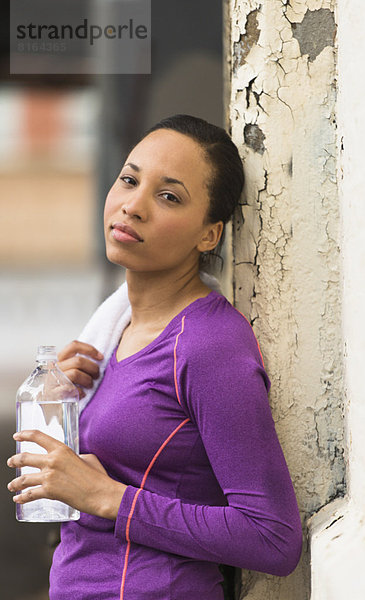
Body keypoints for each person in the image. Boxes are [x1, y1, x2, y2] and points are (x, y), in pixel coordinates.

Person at [7, 114, 302, 599]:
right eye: (129, 179)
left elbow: (272, 537)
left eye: (169, 196)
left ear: (209, 235)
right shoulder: (113, 332)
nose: (133, 206)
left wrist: (108, 498)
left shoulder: (209, 345)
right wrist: (58, 397)